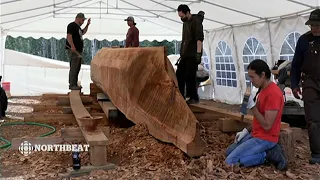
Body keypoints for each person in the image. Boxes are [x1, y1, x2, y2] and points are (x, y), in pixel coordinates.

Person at [225, 59, 287, 170]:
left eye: (252, 77)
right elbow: (259, 119)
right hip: (256, 134)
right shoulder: (262, 90)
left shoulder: (273, 94)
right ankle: (263, 153)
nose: (251, 81)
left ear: (263, 75)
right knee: (228, 152)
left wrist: (252, 107)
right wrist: (246, 130)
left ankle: (267, 155)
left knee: (230, 161)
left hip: (266, 138)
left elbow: (267, 125)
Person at [290, 9, 320, 164]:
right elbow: (295, 65)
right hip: (309, 82)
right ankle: (317, 153)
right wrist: (295, 85)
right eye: (313, 25)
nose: (315, 28)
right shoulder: (303, 40)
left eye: (318, 25)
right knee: (313, 119)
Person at [176, 4, 204, 104]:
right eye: (180, 17)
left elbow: (199, 39)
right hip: (185, 54)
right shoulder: (185, 23)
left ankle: (194, 97)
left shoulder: (196, 22)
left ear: (188, 12)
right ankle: (180, 96)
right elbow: (185, 39)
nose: (181, 18)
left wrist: (198, 53)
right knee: (179, 74)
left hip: (193, 53)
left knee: (189, 75)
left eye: (182, 16)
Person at [65, 13, 90, 90]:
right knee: (74, 67)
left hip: (78, 51)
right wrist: (72, 46)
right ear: (78, 18)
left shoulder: (78, 28)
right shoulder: (71, 26)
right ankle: (72, 84)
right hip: (73, 50)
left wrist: (87, 25)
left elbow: (83, 32)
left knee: (77, 67)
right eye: (82, 20)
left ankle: (74, 84)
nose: (83, 22)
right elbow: (69, 36)